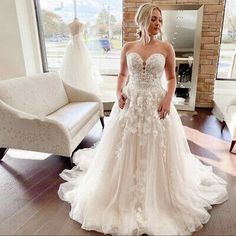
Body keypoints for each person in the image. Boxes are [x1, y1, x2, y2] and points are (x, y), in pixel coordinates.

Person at [58, 3, 228, 235]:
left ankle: (158, 194)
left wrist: (168, 99)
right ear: (142, 20)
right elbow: (122, 74)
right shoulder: (128, 46)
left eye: (160, 20)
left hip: (156, 102)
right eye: (153, 19)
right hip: (131, 101)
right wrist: (118, 92)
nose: (157, 24)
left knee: (157, 146)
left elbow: (171, 79)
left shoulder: (166, 47)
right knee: (125, 146)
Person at [59, 18, 102, 95]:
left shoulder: (80, 24)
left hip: (78, 46)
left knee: (82, 65)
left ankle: (81, 88)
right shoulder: (77, 24)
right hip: (74, 47)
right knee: (71, 65)